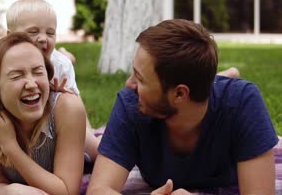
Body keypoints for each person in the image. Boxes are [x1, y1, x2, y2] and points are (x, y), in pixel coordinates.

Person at [87, 19, 278, 194]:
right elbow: (98, 190)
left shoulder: (243, 102)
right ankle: (221, 76)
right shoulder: (132, 104)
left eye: (140, 78)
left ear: (180, 93)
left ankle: (223, 77)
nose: (129, 84)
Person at [0, 0, 100, 162]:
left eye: (50, 33)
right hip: (22, 126)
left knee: (97, 151)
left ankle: (67, 54)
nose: (42, 38)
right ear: (10, 37)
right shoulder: (2, 62)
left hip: (57, 122)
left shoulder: (61, 66)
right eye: (33, 32)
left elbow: (77, 111)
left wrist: (84, 130)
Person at [0, 32, 86, 194]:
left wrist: (10, 146)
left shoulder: (67, 108)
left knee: (98, 148)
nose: (31, 84)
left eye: (38, 72)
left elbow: (66, 191)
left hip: (74, 162)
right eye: (16, 76)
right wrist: (14, 192)